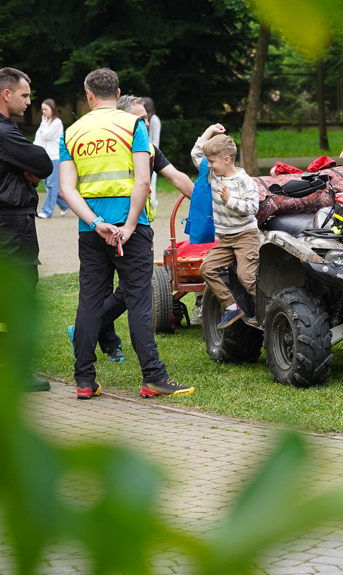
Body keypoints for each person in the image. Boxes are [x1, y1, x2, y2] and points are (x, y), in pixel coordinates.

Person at [59, 67, 193, 400]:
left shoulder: (71, 132)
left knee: (89, 302)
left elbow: (66, 189)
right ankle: (152, 378)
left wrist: (94, 223)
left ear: (89, 95)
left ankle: (85, 381)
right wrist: (130, 225)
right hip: (131, 229)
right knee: (138, 302)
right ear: (118, 95)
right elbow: (144, 182)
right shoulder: (133, 125)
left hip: (91, 231)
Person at [77, 95, 195, 362]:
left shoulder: (148, 148)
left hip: (111, 228)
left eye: (147, 118)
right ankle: (105, 343)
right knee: (122, 293)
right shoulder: (118, 146)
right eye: (139, 118)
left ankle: (92, 338)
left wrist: (204, 203)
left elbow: (177, 177)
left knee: (114, 294)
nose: (146, 122)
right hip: (115, 229)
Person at [0, 67, 53, 392]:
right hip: (13, 222)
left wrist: (23, 171)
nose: (28, 102)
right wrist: (27, 172)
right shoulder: (2, 132)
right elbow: (44, 163)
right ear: (6, 94)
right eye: (24, 95)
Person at [192, 124, 260, 329]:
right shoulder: (213, 175)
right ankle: (231, 308)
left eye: (212, 162)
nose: (209, 165)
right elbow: (197, 152)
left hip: (246, 235)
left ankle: (267, 310)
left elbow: (253, 208)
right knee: (207, 269)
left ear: (227, 160)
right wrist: (210, 131)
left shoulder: (243, 181)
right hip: (226, 239)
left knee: (247, 277)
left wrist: (230, 200)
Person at [35, 99, 68, 219]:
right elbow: (39, 137)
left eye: (45, 109)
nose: (43, 112)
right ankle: (65, 205)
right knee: (47, 185)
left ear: (52, 109)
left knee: (52, 186)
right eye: (42, 109)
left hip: (55, 158)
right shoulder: (45, 122)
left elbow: (46, 136)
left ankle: (46, 211)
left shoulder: (57, 122)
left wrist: (43, 125)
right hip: (44, 158)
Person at [142, 97, 161, 207]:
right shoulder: (140, 120)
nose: (147, 115)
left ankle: (152, 203)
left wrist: (152, 156)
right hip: (141, 153)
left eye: (149, 112)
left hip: (152, 153)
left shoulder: (154, 120)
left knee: (152, 180)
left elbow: (155, 141)